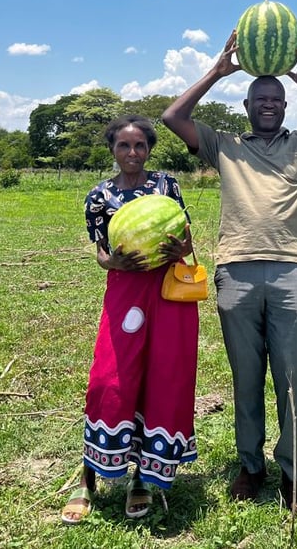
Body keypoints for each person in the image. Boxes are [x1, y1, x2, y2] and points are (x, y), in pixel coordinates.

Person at [162, 31, 297, 513]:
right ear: (246, 103)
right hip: (235, 270)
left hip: (294, 271)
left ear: (285, 104)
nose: (270, 105)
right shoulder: (224, 145)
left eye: (277, 99)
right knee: (246, 375)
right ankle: (250, 465)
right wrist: (217, 70)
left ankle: (294, 473)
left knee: (292, 375)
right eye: (261, 99)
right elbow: (173, 117)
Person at [61, 115, 199, 524]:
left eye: (140, 146)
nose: (132, 153)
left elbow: (187, 236)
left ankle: (142, 478)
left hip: (167, 291)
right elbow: (100, 251)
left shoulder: (166, 185)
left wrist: (180, 248)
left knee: (161, 378)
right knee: (110, 379)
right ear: (113, 150)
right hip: (125, 292)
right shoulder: (98, 196)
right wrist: (111, 260)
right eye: (124, 146)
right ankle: (88, 476)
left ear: (149, 149)